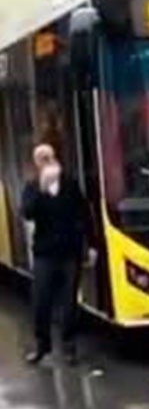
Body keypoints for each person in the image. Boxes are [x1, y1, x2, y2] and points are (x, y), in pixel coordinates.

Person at [21, 144, 89, 366]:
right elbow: (28, 213)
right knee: (41, 301)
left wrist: (90, 245)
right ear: (37, 163)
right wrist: (42, 188)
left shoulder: (70, 184)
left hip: (70, 252)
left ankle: (69, 348)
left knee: (69, 302)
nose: (46, 160)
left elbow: (84, 212)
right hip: (45, 254)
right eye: (41, 158)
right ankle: (43, 346)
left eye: (49, 156)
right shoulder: (32, 187)